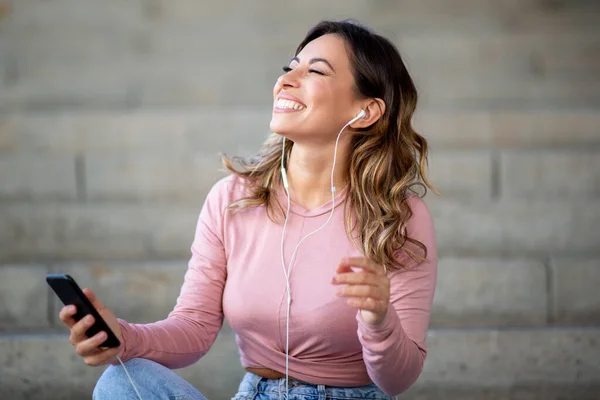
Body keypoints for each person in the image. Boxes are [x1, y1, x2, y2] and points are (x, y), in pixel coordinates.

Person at [59, 20, 438, 400]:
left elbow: (398, 380)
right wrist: (124, 338)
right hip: (254, 393)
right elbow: (193, 327)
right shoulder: (232, 199)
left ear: (366, 111)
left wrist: (379, 319)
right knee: (122, 382)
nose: (287, 80)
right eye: (290, 67)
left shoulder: (398, 217)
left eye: (315, 71)